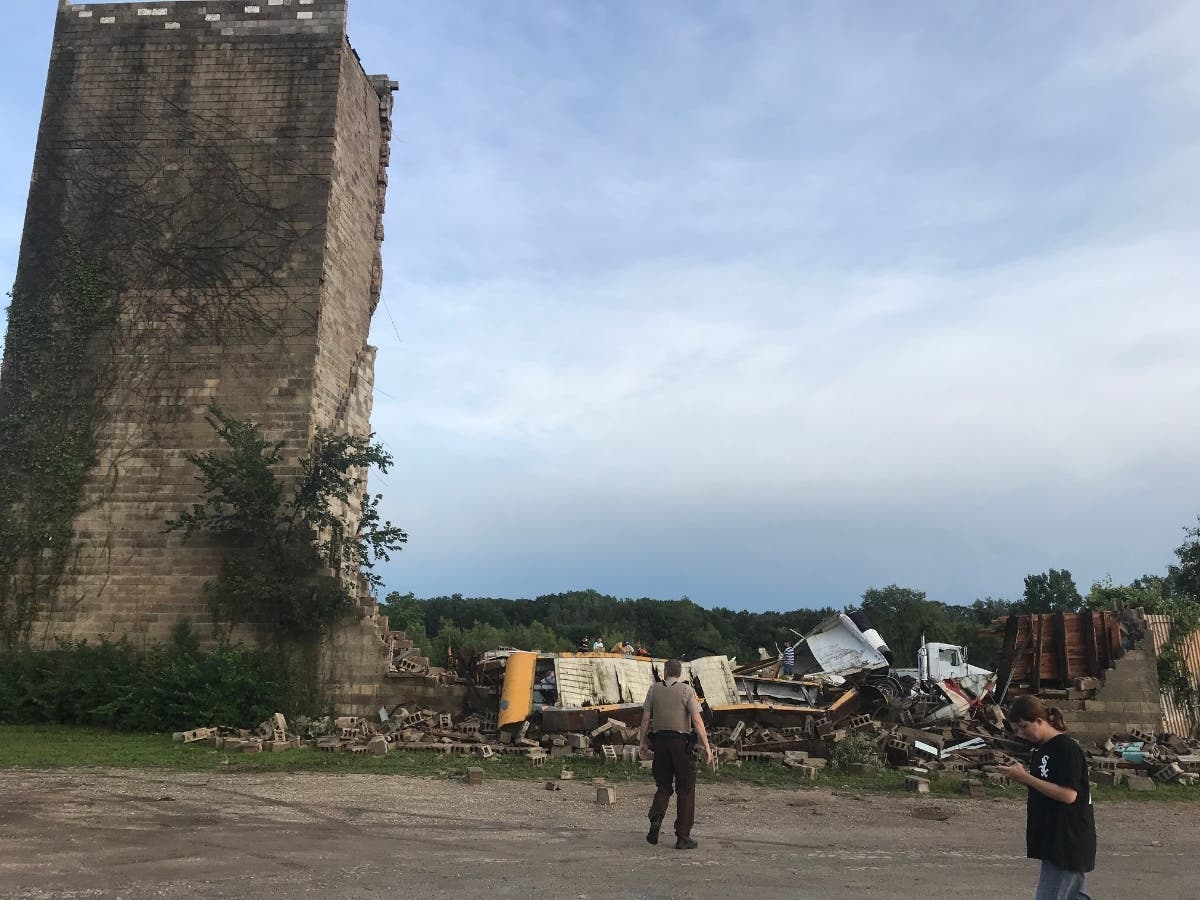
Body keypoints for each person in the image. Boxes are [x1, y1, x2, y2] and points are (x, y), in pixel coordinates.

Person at [997, 695, 1096, 900]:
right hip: (1054, 840)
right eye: (1017, 729)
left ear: (1039, 721)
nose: (1021, 734)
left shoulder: (1066, 749)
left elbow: (1068, 795)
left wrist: (1025, 777)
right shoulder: (1043, 749)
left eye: (1024, 727)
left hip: (1066, 841)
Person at [636, 659, 713, 850]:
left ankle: (656, 817)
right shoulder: (687, 691)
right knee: (686, 788)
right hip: (680, 745)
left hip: (659, 744)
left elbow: (646, 718)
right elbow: (697, 720)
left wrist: (642, 742)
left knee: (663, 785)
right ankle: (683, 836)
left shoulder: (653, 690)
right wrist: (706, 746)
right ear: (679, 674)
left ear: (665, 672)